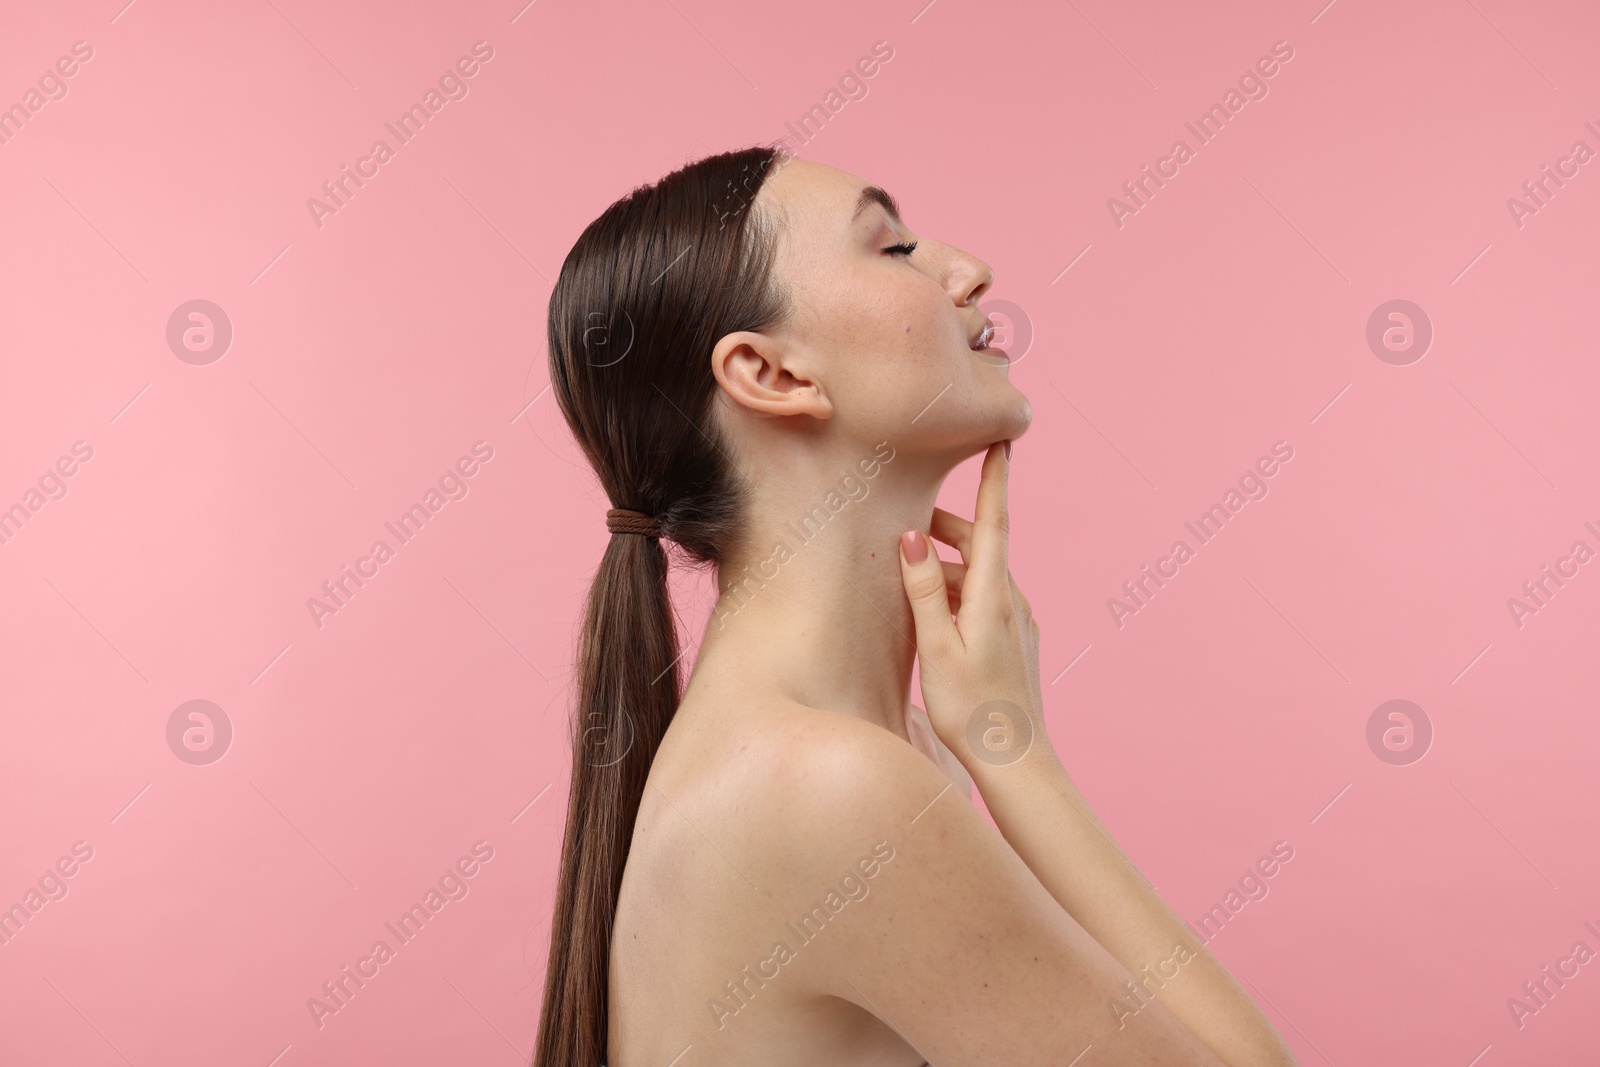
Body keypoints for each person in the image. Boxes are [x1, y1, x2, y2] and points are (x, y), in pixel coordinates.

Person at [534, 144, 1298, 1067]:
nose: (969, 271)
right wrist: (1020, 757)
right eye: (892, 249)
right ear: (772, 375)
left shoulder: (852, 747)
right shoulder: (826, 788)